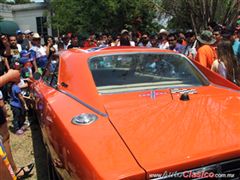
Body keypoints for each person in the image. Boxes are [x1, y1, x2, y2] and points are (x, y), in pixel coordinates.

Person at [0, 69, 34, 179]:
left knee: (5, 138)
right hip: (16, 106)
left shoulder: (12, 88)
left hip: (9, 107)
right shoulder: (14, 87)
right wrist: (8, 76)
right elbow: (19, 95)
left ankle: (13, 171)